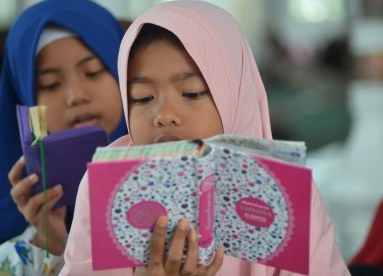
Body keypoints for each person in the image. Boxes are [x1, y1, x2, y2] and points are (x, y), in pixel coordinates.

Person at [59, 1, 350, 275]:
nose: (164, 115)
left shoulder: (285, 191)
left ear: (234, 95)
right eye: (143, 97)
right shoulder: (107, 188)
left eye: (192, 92)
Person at [0, 0, 127, 275]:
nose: (76, 96)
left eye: (93, 72)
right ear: (26, 98)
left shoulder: (170, 166)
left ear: (124, 72)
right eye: (51, 84)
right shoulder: (17, 196)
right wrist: (47, 242)